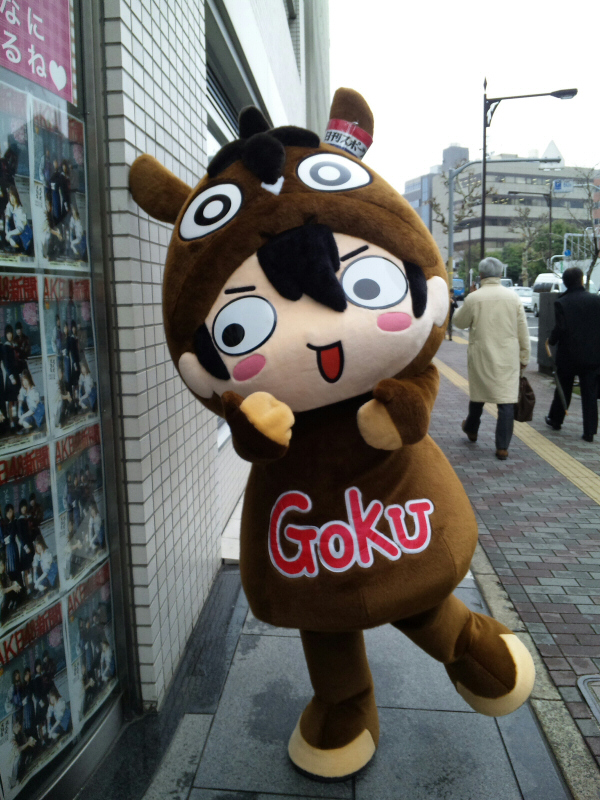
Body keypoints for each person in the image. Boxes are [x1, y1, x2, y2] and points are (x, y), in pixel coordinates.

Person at [453, 257, 530, 460]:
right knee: (506, 401)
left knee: (478, 395)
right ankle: (502, 447)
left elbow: (458, 322)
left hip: (481, 354)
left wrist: (469, 298)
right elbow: (523, 330)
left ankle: (471, 429)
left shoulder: (474, 298)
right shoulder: (513, 297)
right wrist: (524, 356)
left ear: (480, 275)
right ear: (500, 274)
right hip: (507, 356)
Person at [545, 266, 600, 442]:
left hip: (568, 355)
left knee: (564, 387)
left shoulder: (562, 302)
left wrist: (551, 340)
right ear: (581, 280)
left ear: (565, 282)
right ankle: (589, 431)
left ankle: (556, 420)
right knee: (590, 393)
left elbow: (561, 328)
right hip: (592, 355)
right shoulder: (596, 300)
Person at [4, 185, 33, 254]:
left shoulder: (20, 210)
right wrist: (7, 231)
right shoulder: (12, 207)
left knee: (12, 240)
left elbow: (21, 229)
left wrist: (9, 234)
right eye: (10, 196)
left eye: (13, 196)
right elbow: (8, 215)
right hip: (19, 232)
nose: (12, 199)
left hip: (24, 234)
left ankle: (20, 248)